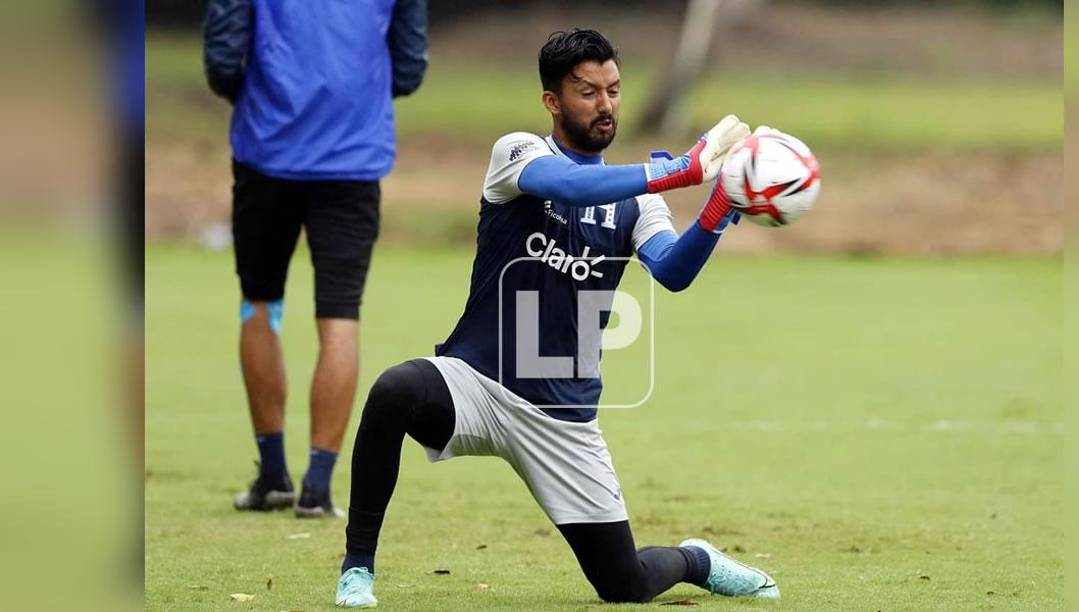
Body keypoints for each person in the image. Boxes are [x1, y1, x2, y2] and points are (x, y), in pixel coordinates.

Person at [334, 29, 780, 607]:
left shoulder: (639, 200)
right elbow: (568, 186)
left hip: (562, 416)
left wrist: (717, 210)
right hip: (477, 384)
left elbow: (672, 271)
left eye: (614, 90)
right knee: (395, 389)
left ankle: (698, 559)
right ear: (553, 101)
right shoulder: (518, 154)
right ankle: (357, 570)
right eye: (587, 92)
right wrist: (676, 171)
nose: (605, 105)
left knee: (626, 586)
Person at [202, 0, 428, 518]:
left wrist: (260, 98)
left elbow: (221, 59)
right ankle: (318, 487)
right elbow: (411, 66)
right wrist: (356, 99)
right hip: (353, 158)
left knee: (259, 305)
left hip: (267, 153)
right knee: (341, 316)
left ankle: (273, 475)